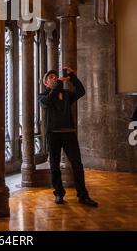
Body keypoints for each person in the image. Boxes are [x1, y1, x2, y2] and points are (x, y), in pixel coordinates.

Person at [39, 67, 98, 207]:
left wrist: (72, 76)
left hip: (69, 133)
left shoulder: (66, 94)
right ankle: (59, 193)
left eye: (55, 76)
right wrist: (59, 84)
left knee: (77, 164)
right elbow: (49, 100)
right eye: (51, 78)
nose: (54, 78)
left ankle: (83, 196)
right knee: (54, 166)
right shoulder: (43, 96)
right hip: (53, 135)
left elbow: (81, 91)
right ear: (46, 83)